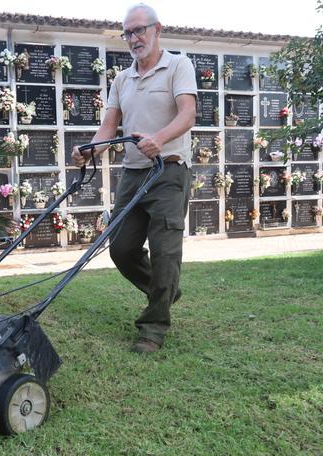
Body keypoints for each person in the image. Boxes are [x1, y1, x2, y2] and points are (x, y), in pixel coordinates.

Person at [72, 3, 196, 353]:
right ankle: (165, 290)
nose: (133, 38)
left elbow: (188, 114)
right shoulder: (122, 79)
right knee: (121, 248)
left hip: (169, 170)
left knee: (164, 252)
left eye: (140, 30)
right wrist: (88, 151)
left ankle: (153, 328)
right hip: (133, 174)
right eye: (128, 32)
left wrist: (160, 138)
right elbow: (108, 128)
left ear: (157, 30)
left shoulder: (178, 66)